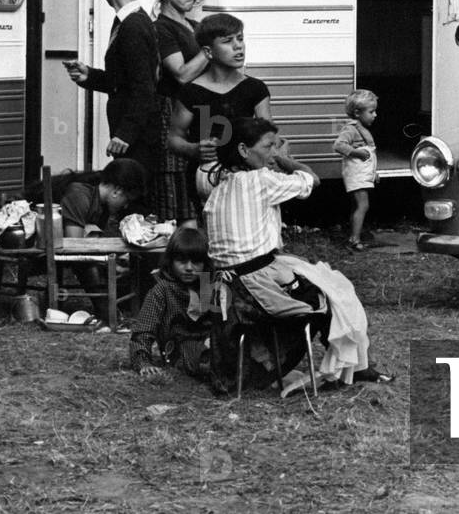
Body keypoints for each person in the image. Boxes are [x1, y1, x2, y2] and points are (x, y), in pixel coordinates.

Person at [203, 117, 392, 393]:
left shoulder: (217, 190)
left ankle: (354, 364)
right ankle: (354, 367)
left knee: (318, 276)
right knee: (333, 292)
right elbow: (312, 179)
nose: (272, 153)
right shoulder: (260, 180)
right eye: (268, 147)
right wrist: (286, 160)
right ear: (244, 150)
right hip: (254, 286)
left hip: (223, 288)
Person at [64, 0, 161, 204]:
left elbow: (143, 88)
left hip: (137, 137)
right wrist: (89, 75)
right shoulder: (131, 21)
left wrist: (124, 134)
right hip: (136, 133)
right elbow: (124, 80)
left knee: (134, 199)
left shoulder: (132, 26)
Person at [167, 13, 272, 205]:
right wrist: (193, 149)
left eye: (240, 38)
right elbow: (173, 138)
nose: (238, 46)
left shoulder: (255, 88)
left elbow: (269, 137)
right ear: (208, 52)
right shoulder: (191, 92)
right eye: (227, 41)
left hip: (246, 180)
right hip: (205, 180)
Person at [59, 158, 149, 329]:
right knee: (86, 264)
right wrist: (105, 261)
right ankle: (108, 314)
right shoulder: (79, 194)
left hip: (74, 246)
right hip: (47, 244)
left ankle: (121, 309)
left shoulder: (101, 204)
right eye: (126, 199)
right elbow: (74, 245)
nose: (126, 205)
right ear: (116, 191)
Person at [151, 0, 209, 226]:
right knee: (176, 185)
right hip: (173, 111)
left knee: (202, 173)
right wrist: (208, 52)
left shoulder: (195, 25)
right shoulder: (161, 28)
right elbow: (181, 73)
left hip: (200, 112)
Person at [129, 227, 212, 379]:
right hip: (179, 348)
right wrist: (143, 362)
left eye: (196, 262)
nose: (189, 268)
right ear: (171, 261)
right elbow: (142, 331)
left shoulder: (208, 284)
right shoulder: (162, 290)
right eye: (182, 261)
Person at [333, 89, 379, 251]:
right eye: (371, 112)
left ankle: (354, 234)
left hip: (363, 174)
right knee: (363, 205)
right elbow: (338, 145)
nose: (375, 115)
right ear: (357, 113)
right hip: (356, 174)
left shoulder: (362, 128)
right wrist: (355, 152)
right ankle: (355, 239)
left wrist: (374, 173)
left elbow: (370, 157)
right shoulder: (350, 129)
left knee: (357, 205)